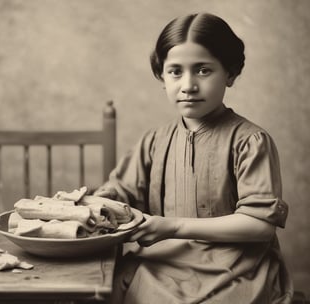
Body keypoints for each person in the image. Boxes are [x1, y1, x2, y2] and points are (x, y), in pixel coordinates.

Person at [94, 12, 293, 304]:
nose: (188, 85)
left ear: (231, 73)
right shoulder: (154, 141)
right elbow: (118, 194)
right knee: (102, 290)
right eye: (175, 71)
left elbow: (260, 225)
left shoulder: (250, 141)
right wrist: (92, 203)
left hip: (234, 269)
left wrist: (173, 226)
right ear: (161, 76)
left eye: (203, 70)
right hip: (161, 263)